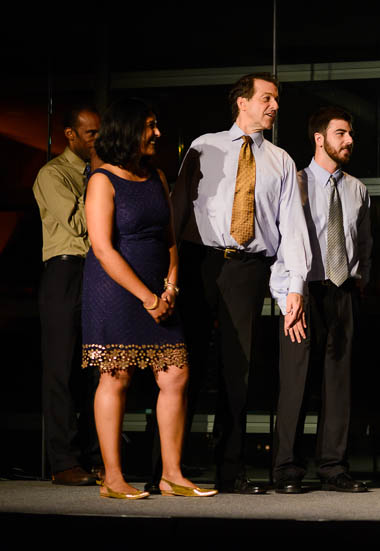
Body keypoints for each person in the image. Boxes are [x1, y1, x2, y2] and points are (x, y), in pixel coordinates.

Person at [172, 73, 311, 494]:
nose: (274, 106)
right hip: (200, 263)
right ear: (242, 102)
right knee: (184, 366)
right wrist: (169, 271)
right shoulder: (204, 146)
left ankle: (230, 469)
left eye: (276, 99)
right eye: (266, 98)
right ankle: (168, 467)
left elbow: (293, 228)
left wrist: (295, 287)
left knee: (239, 370)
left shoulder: (281, 160)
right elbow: (177, 211)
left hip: (248, 269)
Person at [83, 98, 216, 499]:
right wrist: (147, 297)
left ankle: (172, 474)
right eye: (150, 126)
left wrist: (170, 287)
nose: (158, 133)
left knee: (176, 373)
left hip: (160, 290)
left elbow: (169, 238)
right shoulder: (102, 180)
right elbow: (103, 248)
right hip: (116, 290)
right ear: (127, 131)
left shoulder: (157, 176)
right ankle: (112, 477)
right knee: (116, 374)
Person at [270, 106, 371, 494]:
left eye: (350, 134)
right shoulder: (293, 184)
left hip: (342, 291)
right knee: (296, 382)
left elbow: (364, 244)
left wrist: (361, 282)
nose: (349, 141)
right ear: (319, 138)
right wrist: (287, 298)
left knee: (338, 384)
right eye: (341, 133)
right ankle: (286, 469)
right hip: (303, 292)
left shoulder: (357, 189)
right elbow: (282, 247)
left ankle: (333, 467)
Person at [33, 105, 101, 486]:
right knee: (59, 370)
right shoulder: (53, 174)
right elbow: (78, 224)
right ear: (70, 136)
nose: (97, 140)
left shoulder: (99, 172)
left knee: (95, 368)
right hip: (65, 270)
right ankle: (62, 462)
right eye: (90, 134)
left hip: (95, 272)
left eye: (99, 133)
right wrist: (98, 188)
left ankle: (94, 456)